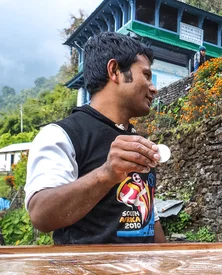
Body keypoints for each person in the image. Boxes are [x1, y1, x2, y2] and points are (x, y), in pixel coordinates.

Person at [25, 32, 166, 244]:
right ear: (115, 70)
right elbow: (41, 216)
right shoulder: (62, 135)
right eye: (146, 75)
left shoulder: (136, 140)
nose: (153, 88)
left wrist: (165, 265)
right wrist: (106, 174)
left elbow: (147, 217)